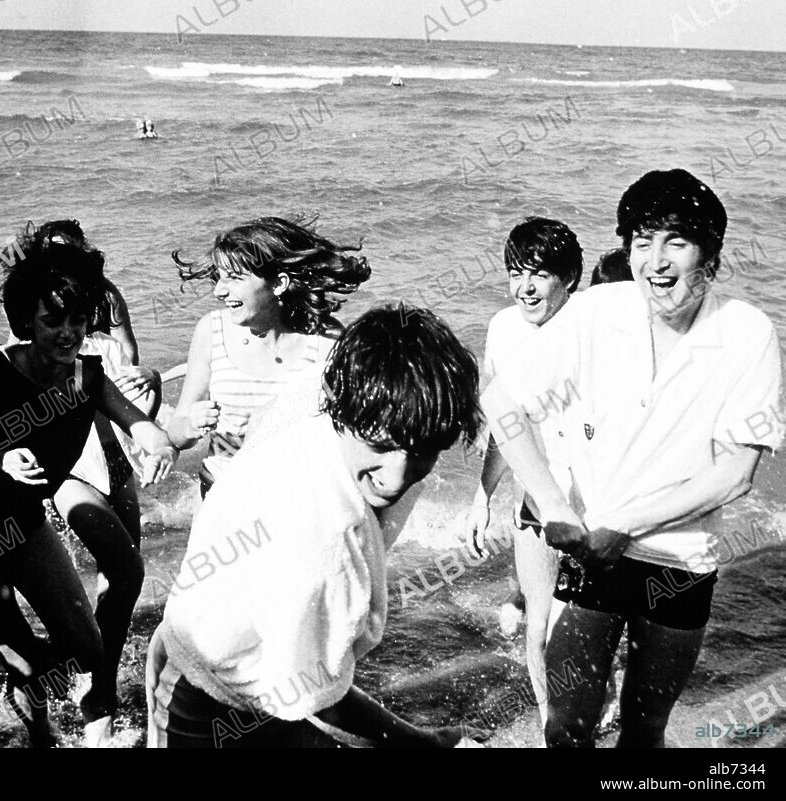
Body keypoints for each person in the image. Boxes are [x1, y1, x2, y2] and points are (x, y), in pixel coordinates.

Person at [481, 168, 783, 747]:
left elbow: (735, 474)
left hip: (680, 563)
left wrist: (626, 525)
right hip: (593, 557)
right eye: (642, 242)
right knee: (566, 728)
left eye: (676, 242)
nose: (655, 261)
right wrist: (551, 503)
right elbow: (501, 401)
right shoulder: (598, 311)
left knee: (645, 728)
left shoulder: (747, 333)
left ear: (711, 256)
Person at [146, 304, 484, 747]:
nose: (397, 477)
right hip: (199, 695)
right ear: (345, 411)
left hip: (237, 653)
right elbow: (319, 703)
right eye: (380, 446)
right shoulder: (323, 545)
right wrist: (428, 742)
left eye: (423, 449)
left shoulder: (313, 397)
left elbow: (280, 408)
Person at [0, 234, 178, 747]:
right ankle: (38, 731)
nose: (68, 333)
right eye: (53, 321)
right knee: (25, 662)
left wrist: (162, 442)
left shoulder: (87, 377)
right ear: (27, 321)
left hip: (22, 524)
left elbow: (139, 424)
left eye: (79, 320)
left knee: (87, 649)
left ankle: (35, 680)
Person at [24, 219, 162, 743]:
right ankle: (84, 684)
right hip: (69, 464)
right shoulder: (36, 319)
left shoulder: (107, 304)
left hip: (116, 454)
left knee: (121, 583)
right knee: (125, 568)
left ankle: (93, 682)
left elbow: (132, 380)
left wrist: (150, 386)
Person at [464, 217, 582, 729]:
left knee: (591, 622)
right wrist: (481, 498)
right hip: (534, 503)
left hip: (596, 502)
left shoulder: (591, 330)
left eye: (539, 274)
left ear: (569, 278)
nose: (525, 288)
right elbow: (501, 422)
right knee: (541, 624)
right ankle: (553, 725)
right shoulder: (503, 327)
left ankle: (598, 699)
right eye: (516, 273)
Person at [166, 216, 371, 497]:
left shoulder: (325, 342)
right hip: (221, 494)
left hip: (295, 495)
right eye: (219, 277)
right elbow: (176, 433)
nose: (219, 291)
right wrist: (191, 425)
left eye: (234, 278)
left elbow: (353, 434)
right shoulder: (211, 331)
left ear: (278, 284)